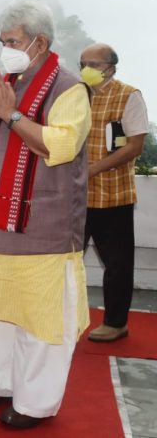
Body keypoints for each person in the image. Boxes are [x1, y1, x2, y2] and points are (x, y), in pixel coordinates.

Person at [0, 0, 92, 429]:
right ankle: (4, 381)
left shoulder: (69, 88)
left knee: (41, 317)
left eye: (12, 41)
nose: (5, 49)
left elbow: (60, 145)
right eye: (2, 41)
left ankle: (37, 402)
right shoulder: (5, 81)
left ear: (40, 42)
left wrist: (11, 113)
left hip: (43, 223)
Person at [80, 43, 149, 342]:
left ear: (111, 67)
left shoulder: (129, 96)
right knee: (63, 260)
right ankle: (58, 316)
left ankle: (116, 322)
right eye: (83, 63)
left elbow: (135, 147)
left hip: (113, 196)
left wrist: (93, 170)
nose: (87, 69)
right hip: (74, 196)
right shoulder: (76, 95)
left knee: (117, 265)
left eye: (94, 64)